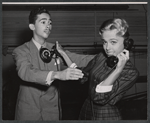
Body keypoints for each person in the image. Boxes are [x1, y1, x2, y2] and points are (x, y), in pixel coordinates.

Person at [12, 7, 95, 120]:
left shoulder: (55, 48)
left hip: (52, 113)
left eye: (50, 23)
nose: (48, 26)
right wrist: (57, 74)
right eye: (43, 22)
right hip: (29, 113)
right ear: (32, 26)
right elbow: (25, 72)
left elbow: (79, 59)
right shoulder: (21, 51)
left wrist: (105, 56)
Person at [57, 18, 139, 120]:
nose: (107, 47)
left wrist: (118, 70)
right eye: (105, 42)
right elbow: (82, 76)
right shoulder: (101, 57)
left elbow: (100, 98)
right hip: (86, 111)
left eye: (113, 42)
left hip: (106, 116)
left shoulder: (130, 72)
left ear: (126, 43)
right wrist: (63, 54)